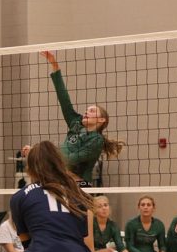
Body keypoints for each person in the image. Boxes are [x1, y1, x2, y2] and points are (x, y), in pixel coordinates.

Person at [42, 51, 124, 185]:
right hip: (63, 182)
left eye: (91, 111)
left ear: (102, 120)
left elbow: (71, 159)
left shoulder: (96, 140)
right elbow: (64, 99)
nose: (86, 112)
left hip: (80, 186)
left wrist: (43, 153)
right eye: (86, 110)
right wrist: (54, 64)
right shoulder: (76, 123)